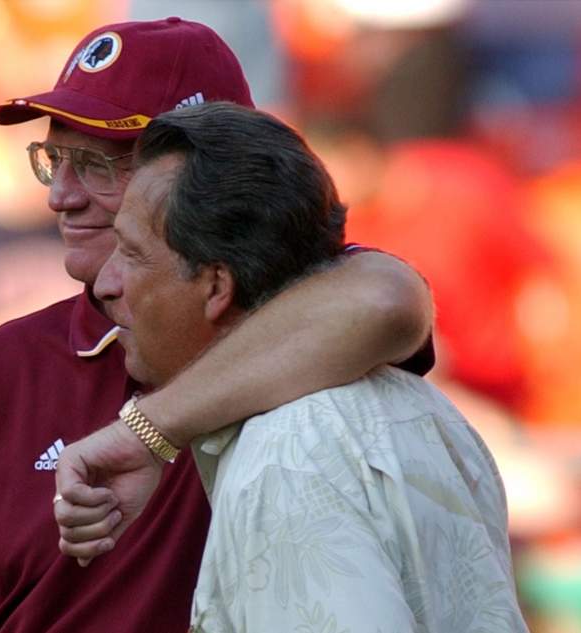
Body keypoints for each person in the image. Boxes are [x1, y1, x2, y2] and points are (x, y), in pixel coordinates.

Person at [0, 18, 433, 633]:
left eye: (100, 163)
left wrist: (145, 433)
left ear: (211, 174)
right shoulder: (0, 370)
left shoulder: (310, 324)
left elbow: (388, 300)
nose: (61, 195)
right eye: (55, 159)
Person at [89, 101, 528, 632]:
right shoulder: (415, 402)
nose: (104, 282)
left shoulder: (288, 457)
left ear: (216, 287)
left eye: (132, 254)